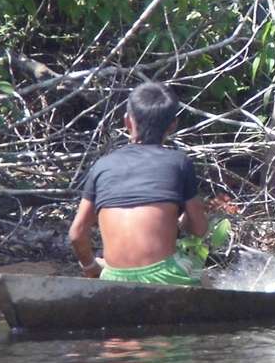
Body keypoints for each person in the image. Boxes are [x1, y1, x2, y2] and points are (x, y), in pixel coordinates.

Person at [68, 82, 207, 285]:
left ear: (127, 122)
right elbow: (200, 229)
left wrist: (91, 268)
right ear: (173, 125)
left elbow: (76, 234)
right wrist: (183, 220)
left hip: (114, 278)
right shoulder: (179, 162)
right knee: (199, 272)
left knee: (102, 263)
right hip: (164, 275)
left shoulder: (102, 165)